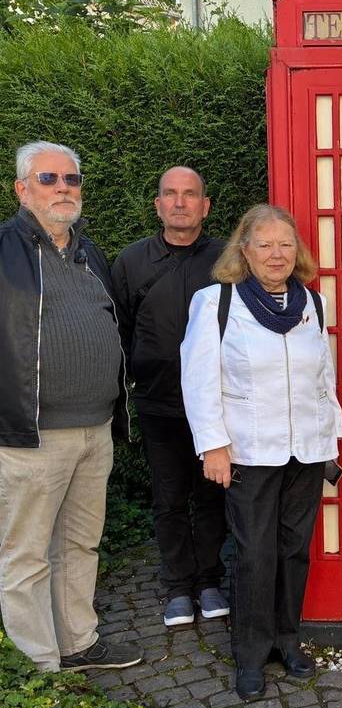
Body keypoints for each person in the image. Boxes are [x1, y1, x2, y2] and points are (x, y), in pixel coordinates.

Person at [180, 204, 342, 702]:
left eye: (286, 244)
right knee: (254, 553)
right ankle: (250, 654)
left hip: (306, 451)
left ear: (299, 252)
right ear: (244, 250)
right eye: (265, 244)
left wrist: (331, 441)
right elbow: (198, 378)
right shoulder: (217, 302)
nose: (277, 254)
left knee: (293, 549)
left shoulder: (311, 303)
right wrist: (213, 446)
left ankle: (286, 640)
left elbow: (324, 377)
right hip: (250, 450)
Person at [0, 141, 141, 672]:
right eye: (48, 178)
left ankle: (79, 642)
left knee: (80, 544)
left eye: (72, 179)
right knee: (27, 554)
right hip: (30, 435)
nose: (63, 188)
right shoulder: (4, 250)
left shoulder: (89, 254)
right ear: (22, 188)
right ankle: (36, 665)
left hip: (95, 429)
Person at [111, 167, 228, 628]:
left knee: (213, 493)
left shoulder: (228, 259)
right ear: (157, 205)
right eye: (170, 194)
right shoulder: (131, 261)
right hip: (159, 402)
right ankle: (179, 586)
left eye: (190, 194)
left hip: (218, 403)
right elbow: (117, 331)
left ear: (205, 206)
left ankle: (210, 579)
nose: (180, 202)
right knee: (170, 495)